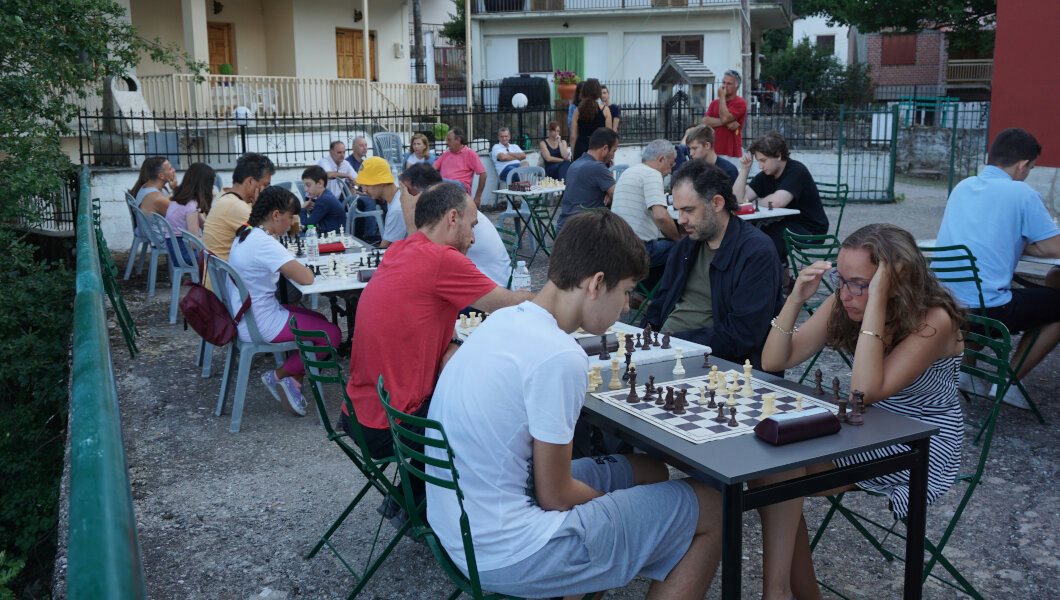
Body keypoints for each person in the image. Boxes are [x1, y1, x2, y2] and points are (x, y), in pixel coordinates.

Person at [426, 210, 723, 598]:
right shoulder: (559, 356)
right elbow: (555, 495)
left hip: (458, 528)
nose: (626, 307)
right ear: (597, 283)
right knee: (713, 505)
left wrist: (623, 509)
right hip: (510, 550)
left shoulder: (501, 321)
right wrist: (615, 506)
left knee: (649, 469)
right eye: (625, 291)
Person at [758, 223, 965, 600]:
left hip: (922, 439)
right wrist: (794, 299)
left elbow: (864, 391)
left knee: (777, 474)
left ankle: (778, 593)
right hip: (868, 424)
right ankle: (780, 592)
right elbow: (774, 360)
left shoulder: (935, 319)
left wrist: (878, 297)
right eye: (841, 280)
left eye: (860, 284)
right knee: (768, 469)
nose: (845, 294)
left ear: (896, 282)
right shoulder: (849, 299)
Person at [342, 182, 532, 462]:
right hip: (392, 425)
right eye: (472, 225)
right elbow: (508, 303)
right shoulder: (442, 259)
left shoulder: (399, 249)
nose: (473, 238)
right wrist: (564, 295)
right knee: (500, 414)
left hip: (357, 413)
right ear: (453, 218)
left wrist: (452, 341)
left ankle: (415, 489)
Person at [935, 127, 1060, 407]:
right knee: (1053, 303)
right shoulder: (1021, 193)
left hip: (945, 304)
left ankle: (967, 372)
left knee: (978, 287)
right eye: (1030, 169)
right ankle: (1008, 383)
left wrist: (1012, 239)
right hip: (987, 311)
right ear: (1023, 165)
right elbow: (1055, 247)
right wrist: (1024, 241)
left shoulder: (962, 187)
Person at [643, 161, 783, 368]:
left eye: (688, 210)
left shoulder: (756, 252)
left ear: (717, 203)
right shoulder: (685, 247)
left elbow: (743, 334)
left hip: (715, 363)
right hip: (668, 351)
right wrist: (643, 336)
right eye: (678, 210)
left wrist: (673, 343)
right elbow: (659, 304)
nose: (680, 220)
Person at [226, 186, 341, 417]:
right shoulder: (263, 243)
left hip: (247, 314)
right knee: (331, 335)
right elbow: (306, 278)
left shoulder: (247, 233)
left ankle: (294, 379)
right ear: (276, 215)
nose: (292, 222)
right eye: (290, 217)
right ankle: (278, 376)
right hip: (260, 323)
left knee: (319, 318)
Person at [399, 163, 512, 286]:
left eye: (407, 192)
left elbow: (420, 259)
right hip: (485, 279)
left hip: (490, 285)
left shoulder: (450, 215)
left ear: (422, 193)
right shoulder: (447, 207)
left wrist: (408, 215)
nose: (403, 198)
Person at [733, 132, 829, 263]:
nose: (760, 166)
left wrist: (754, 203)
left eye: (763, 160)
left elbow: (777, 202)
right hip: (786, 223)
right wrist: (744, 169)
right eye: (758, 161)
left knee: (769, 234)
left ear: (778, 155)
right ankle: (771, 270)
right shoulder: (765, 175)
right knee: (750, 230)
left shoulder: (796, 171)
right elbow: (737, 199)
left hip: (810, 229)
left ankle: (777, 272)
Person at [610, 139, 681, 268]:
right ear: (661, 159)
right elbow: (661, 216)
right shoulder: (652, 174)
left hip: (617, 246)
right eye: (670, 165)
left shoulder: (629, 171)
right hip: (638, 249)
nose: (670, 171)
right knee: (684, 247)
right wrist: (678, 239)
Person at [202, 152, 276, 261]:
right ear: (250, 181)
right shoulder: (236, 206)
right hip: (226, 271)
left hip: (219, 268)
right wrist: (260, 208)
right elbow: (271, 243)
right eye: (265, 185)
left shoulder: (227, 197)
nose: (266, 190)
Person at [556, 128, 619, 231]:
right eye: (613, 151)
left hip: (563, 227)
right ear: (605, 149)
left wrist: (608, 191)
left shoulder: (574, 164)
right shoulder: (597, 167)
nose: (613, 156)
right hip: (583, 230)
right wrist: (610, 194)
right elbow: (619, 196)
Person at [164, 162, 215, 265]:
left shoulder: (180, 198)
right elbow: (194, 243)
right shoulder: (191, 206)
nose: (212, 189)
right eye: (211, 185)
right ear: (204, 186)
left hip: (177, 250)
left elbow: (204, 225)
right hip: (185, 254)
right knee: (221, 257)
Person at [356, 157, 407, 248]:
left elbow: (383, 250)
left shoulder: (397, 209)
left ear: (382, 182)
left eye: (367, 185)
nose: (363, 190)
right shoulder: (396, 198)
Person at [434, 127, 487, 207]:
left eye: (449, 140)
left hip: (460, 186)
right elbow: (432, 169)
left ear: (458, 140)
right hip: (444, 185)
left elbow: (483, 174)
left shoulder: (470, 153)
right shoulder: (446, 153)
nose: (446, 142)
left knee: (438, 181)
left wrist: (477, 197)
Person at [702, 69, 747, 160]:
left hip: (731, 153)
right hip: (713, 151)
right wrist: (726, 122)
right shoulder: (714, 103)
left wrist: (722, 97)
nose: (724, 86)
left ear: (736, 87)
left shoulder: (740, 103)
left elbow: (725, 118)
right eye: (723, 82)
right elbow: (705, 121)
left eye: (729, 83)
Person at [569, 78, 613, 161]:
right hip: (599, 149)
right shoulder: (605, 110)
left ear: (584, 91)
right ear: (598, 92)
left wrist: (573, 153)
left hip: (581, 148)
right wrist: (609, 155)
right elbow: (609, 136)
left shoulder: (577, 111)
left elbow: (573, 137)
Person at [299, 165, 346, 236]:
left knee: (298, 234)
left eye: (308, 185)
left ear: (320, 183)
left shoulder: (324, 200)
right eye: (304, 185)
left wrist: (302, 209)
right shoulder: (326, 195)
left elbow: (307, 226)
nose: (305, 189)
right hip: (332, 235)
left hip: (334, 238)